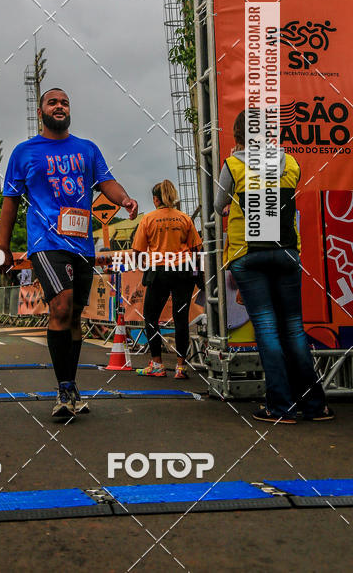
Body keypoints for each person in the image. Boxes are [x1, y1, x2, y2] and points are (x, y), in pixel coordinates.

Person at [0, 87, 138, 418]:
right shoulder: (24, 152)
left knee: (74, 315)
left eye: (64, 102)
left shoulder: (87, 149)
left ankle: (71, 385)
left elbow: (107, 182)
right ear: (41, 112)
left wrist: (124, 199)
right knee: (60, 307)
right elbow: (10, 201)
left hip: (81, 244)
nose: (59, 106)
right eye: (52, 102)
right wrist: (3, 247)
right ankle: (62, 390)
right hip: (46, 242)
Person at [214, 110, 333, 423]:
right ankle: (314, 405)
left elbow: (218, 205)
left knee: (267, 330)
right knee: (293, 328)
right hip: (286, 252)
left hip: (248, 254)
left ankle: (280, 407)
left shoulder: (233, 164)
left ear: (238, 137)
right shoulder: (290, 162)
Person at [131, 180, 202, 379]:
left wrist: (142, 264)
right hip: (183, 271)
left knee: (151, 317)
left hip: (158, 271)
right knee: (181, 318)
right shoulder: (184, 218)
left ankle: (157, 364)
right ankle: (181, 367)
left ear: (155, 200)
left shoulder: (148, 219)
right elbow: (197, 248)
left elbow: (137, 250)